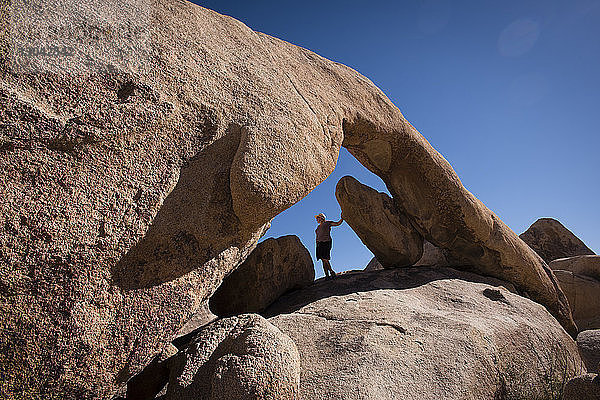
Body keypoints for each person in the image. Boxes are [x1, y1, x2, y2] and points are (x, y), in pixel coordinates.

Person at [314, 212, 344, 278]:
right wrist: (317, 244)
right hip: (319, 244)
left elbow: (337, 224)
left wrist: (342, 218)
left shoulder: (327, 223)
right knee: (323, 260)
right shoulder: (317, 228)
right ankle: (327, 275)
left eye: (318, 218)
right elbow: (317, 237)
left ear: (322, 218)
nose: (317, 219)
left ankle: (331, 271)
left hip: (326, 242)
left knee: (325, 259)